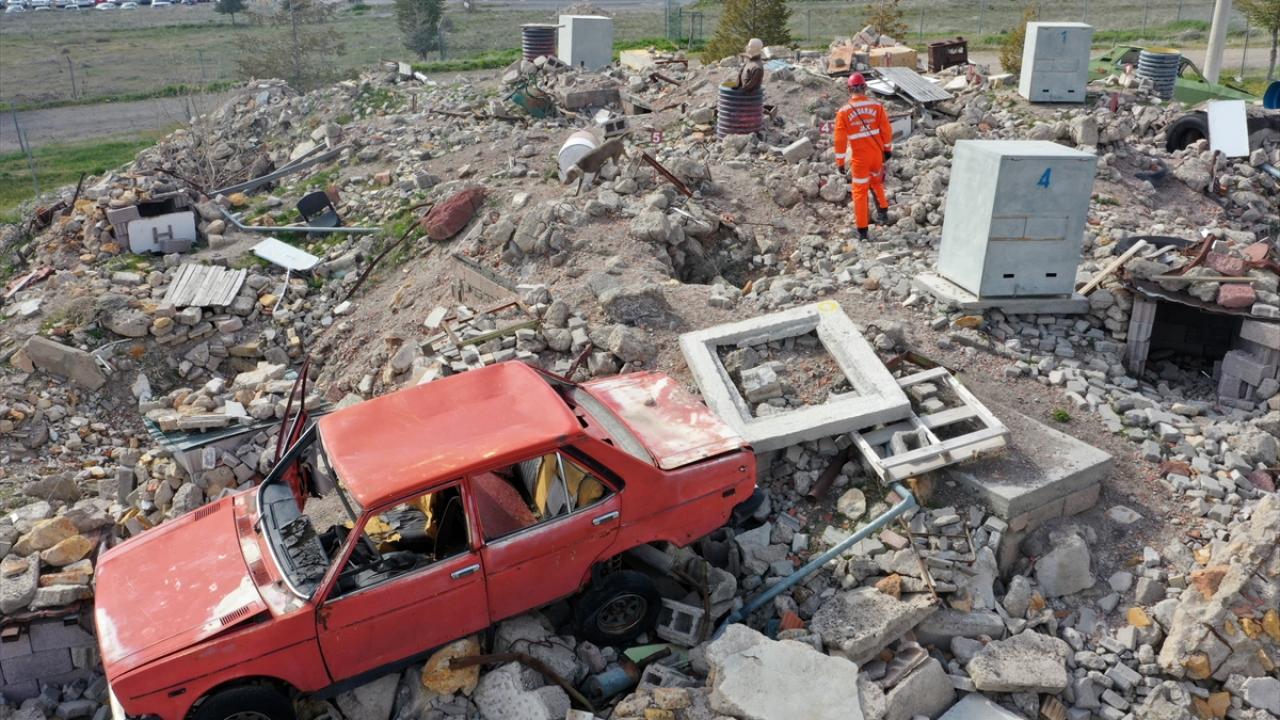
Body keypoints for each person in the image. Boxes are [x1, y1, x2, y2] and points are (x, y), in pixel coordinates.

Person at [833, 72, 892, 240]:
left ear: (849, 90)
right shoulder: (877, 106)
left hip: (860, 159)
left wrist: (840, 161)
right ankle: (883, 213)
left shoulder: (843, 112)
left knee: (859, 192)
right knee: (876, 182)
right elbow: (886, 130)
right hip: (876, 154)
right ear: (865, 87)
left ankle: (862, 230)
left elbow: (840, 140)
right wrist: (887, 149)